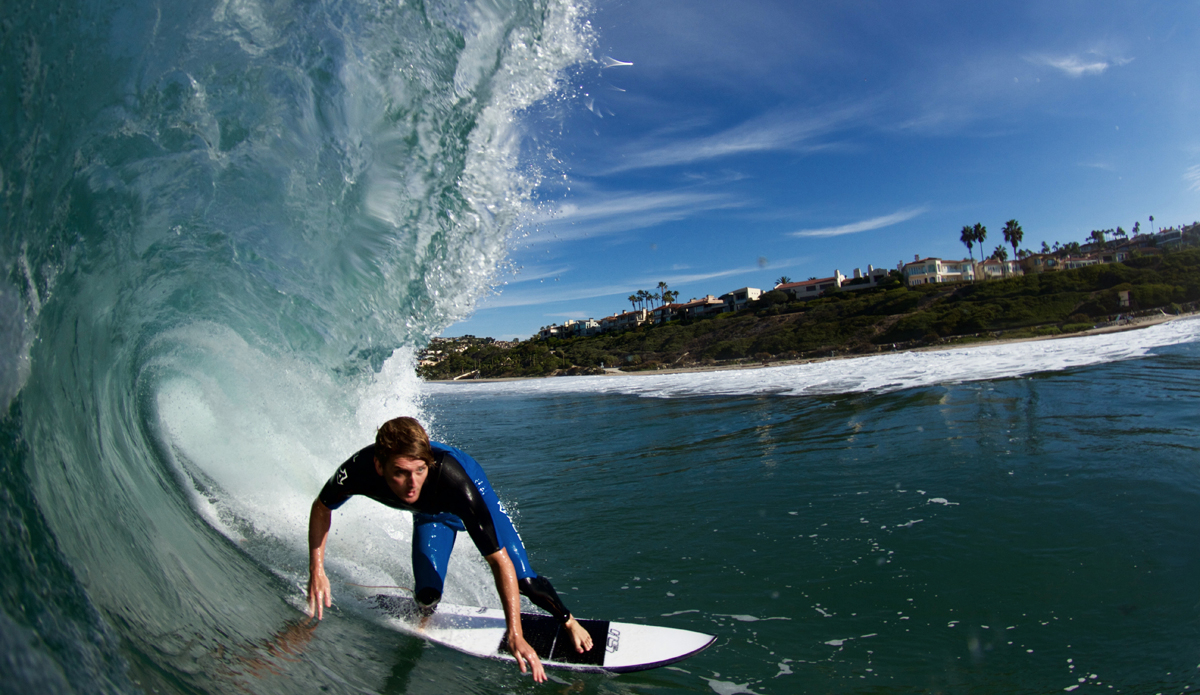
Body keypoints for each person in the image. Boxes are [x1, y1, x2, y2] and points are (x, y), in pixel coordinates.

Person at [306, 416, 593, 682]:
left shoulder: (452, 478)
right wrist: (317, 569)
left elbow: (498, 560)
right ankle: (425, 614)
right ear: (379, 466)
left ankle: (568, 622)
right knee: (426, 595)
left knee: (524, 580)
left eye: (420, 470)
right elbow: (321, 506)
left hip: (466, 492)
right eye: (401, 473)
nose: (412, 484)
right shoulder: (358, 471)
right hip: (431, 514)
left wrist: (515, 634)